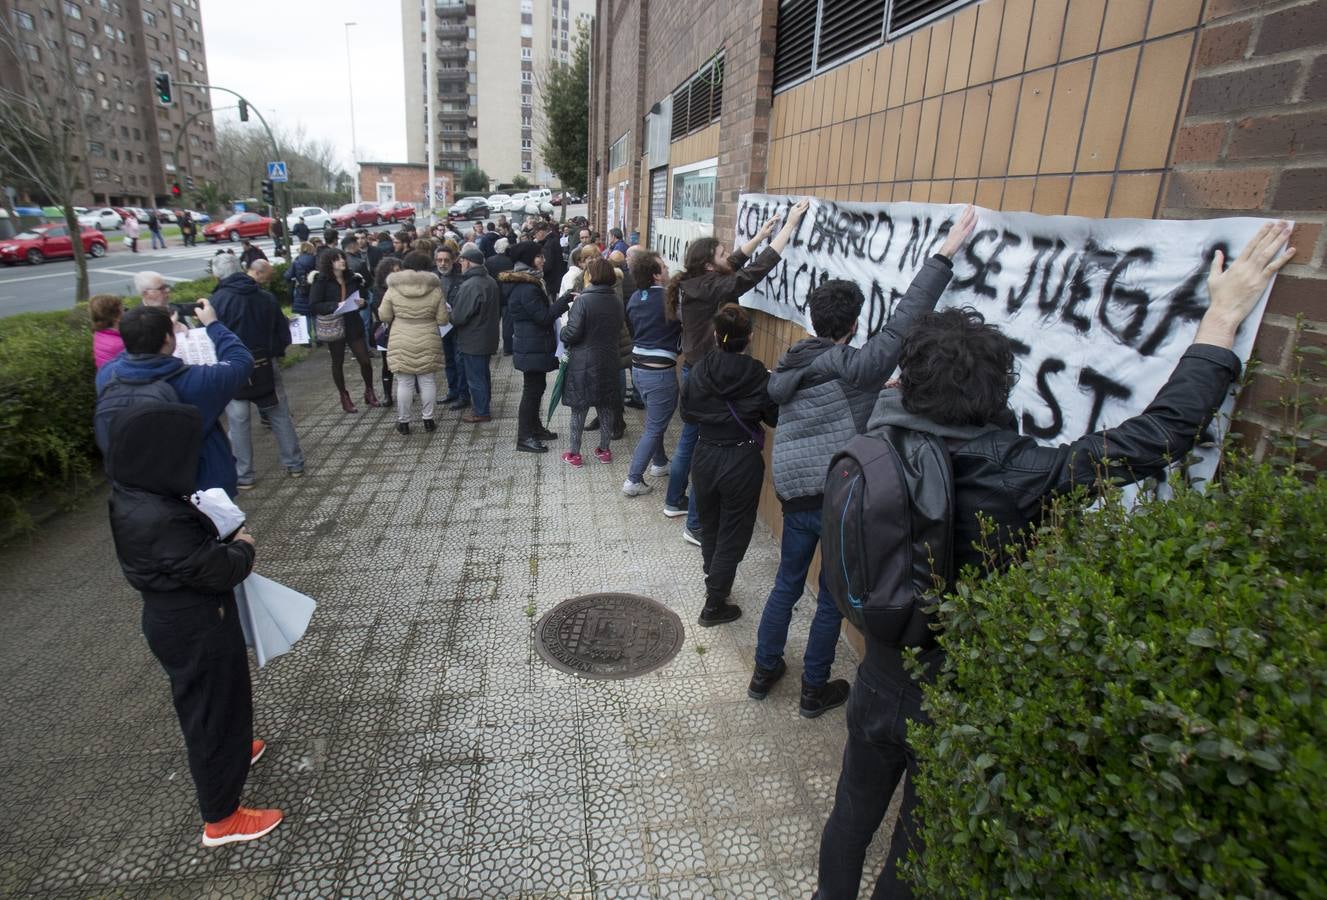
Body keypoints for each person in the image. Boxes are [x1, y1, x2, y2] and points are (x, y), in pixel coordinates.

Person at [814, 222, 1297, 900]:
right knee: (918, 841)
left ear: (907, 382)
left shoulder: (878, 430)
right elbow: (1155, 437)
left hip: (880, 671)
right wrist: (1220, 315)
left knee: (849, 818)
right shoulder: (1022, 469)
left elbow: (894, 334)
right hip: (956, 689)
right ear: (998, 390)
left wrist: (942, 256)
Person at [749, 207, 976, 721]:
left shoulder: (792, 361)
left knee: (787, 582)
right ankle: (812, 690)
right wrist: (942, 255)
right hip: (833, 496)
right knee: (830, 595)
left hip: (791, 490)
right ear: (854, 325)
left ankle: (764, 673)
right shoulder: (857, 367)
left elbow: (840, 393)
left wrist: (880, 389)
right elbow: (900, 328)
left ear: (813, 318)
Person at [104, 397, 279, 847]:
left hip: (191, 617)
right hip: (192, 624)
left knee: (226, 699)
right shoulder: (156, 516)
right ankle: (221, 818)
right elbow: (216, 569)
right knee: (209, 714)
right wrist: (242, 545)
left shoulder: (137, 490)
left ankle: (236, 751)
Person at [665, 199, 810, 548]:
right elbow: (749, 274)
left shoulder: (695, 281)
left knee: (692, 439)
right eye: (720, 252)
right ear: (707, 264)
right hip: (705, 371)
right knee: (702, 445)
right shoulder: (707, 287)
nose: (727, 254)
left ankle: (674, 501)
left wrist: (761, 234)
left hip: (696, 368)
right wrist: (789, 227)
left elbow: (734, 264)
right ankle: (696, 524)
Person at [678, 303, 777, 627]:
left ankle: (714, 579)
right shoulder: (759, 374)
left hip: (705, 452)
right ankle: (714, 601)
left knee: (710, 523)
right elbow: (772, 417)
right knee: (734, 531)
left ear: (717, 335)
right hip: (741, 458)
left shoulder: (700, 369)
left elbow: (688, 414)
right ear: (749, 337)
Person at [95, 301, 253, 497]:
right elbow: (241, 360)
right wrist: (212, 324)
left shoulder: (107, 375)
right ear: (168, 339)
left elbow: (132, 352)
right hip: (203, 487)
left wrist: (149, 332)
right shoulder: (199, 380)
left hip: (141, 491)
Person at [208, 253, 305, 489]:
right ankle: (294, 464)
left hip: (232, 367)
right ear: (241, 269)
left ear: (217, 274)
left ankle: (244, 475)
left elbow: (210, 337)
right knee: (279, 414)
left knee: (238, 421)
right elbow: (283, 331)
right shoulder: (265, 297)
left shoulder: (216, 302)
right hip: (264, 362)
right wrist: (275, 352)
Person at [621, 252, 680, 496]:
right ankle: (633, 480)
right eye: (664, 267)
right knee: (654, 427)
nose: (668, 270)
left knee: (654, 421)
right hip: (660, 373)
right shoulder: (670, 299)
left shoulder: (635, 297)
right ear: (656, 275)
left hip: (639, 369)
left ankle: (659, 463)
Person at [559, 258, 625, 467]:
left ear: (590, 275)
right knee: (606, 407)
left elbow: (572, 333)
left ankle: (574, 454)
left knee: (579, 409)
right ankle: (604, 450)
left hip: (584, 363)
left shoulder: (582, 301)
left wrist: (563, 329)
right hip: (609, 360)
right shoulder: (616, 300)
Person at [507, 247, 571, 454]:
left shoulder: (531, 282)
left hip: (533, 345)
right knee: (531, 392)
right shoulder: (527, 287)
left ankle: (534, 428)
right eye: (538, 256)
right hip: (531, 346)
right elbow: (543, 317)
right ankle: (525, 437)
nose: (543, 260)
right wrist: (565, 301)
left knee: (537, 388)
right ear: (529, 259)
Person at [379, 250, 447, 434]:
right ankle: (428, 420)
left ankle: (404, 422)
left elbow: (384, 315)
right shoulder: (435, 289)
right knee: (427, 380)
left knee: (404, 382)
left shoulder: (393, 288)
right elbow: (443, 320)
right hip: (428, 337)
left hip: (401, 336)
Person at [309, 248, 379, 413]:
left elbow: (363, 297)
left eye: (343, 258)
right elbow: (314, 305)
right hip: (334, 326)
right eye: (337, 259)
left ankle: (369, 391)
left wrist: (363, 303)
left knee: (365, 360)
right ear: (329, 263)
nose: (342, 261)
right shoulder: (321, 280)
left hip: (353, 324)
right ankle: (344, 395)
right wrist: (335, 306)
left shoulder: (353, 278)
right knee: (337, 362)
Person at [449, 245, 502, 420]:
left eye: (462, 260)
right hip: (487, 336)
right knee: (482, 374)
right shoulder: (489, 280)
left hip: (473, 339)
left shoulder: (471, 285)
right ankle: (483, 406)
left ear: (469, 262)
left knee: (476, 377)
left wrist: (449, 313)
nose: (460, 264)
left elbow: (458, 317)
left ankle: (481, 411)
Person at [434, 243, 465, 404]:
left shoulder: (461, 277)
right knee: (448, 361)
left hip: (458, 326)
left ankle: (462, 394)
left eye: (446, 260)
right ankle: (452, 391)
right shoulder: (434, 279)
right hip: (442, 327)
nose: (442, 263)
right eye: (439, 260)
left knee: (460, 362)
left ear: (453, 260)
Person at [371, 255, 403, 405]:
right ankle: (387, 394)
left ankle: (409, 389)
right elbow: (379, 311)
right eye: (394, 272)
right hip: (385, 330)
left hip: (403, 328)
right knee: (387, 363)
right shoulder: (378, 290)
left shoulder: (404, 286)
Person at [286, 242, 318, 347]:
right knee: (315, 314)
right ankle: (319, 338)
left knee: (305, 316)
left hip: (302, 290)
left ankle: (306, 340)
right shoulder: (315, 259)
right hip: (314, 289)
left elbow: (287, 275)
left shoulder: (297, 262)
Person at [91, 293, 127, 370]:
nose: (125, 312)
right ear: (115, 317)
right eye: (123, 309)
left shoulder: (99, 333)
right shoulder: (119, 344)